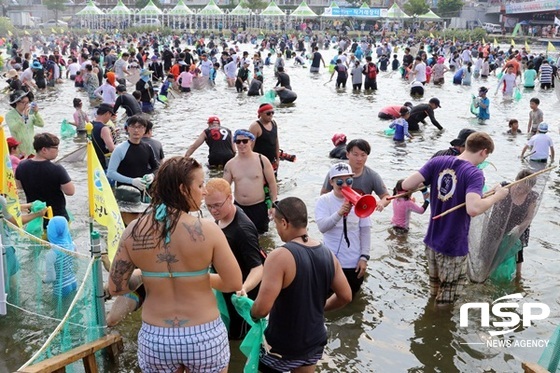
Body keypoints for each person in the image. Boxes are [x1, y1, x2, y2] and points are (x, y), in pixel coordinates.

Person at [108, 156, 242, 373]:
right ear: (182, 189)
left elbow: (116, 287)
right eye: (200, 185)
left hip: (157, 338)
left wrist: (146, 274)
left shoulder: (134, 230)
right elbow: (233, 282)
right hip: (203, 335)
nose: (204, 191)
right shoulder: (209, 230)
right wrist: (196, 277)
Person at [401, 132, 509, 306]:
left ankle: (428, 325)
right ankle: (440, 330)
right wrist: (498, 196)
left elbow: (406, 185)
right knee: (447, 301)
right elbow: (473, 209)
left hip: (431, 241)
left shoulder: (438, 161)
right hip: (452, 246)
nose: (484, 159)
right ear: (483, 151)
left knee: (434, 292)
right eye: (486, 155)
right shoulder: (474, 174)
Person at [250, 197, 352, 372]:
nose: (276, 227)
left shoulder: (279, 256)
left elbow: (262, 309)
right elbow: (345, 296)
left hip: (282, 345)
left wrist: (250, 312)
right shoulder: (328, 254)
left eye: (275, 223)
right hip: (313, 341)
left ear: (284, 223)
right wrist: (320, 307)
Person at [204, 178, 264, 340]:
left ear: (230, 198)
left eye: (217, 205)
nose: (213, 211)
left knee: (237, 336)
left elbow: (257, 267)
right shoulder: (223, 216)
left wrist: (244, 288)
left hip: (241, 293)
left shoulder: (243, 230)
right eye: (209, 206)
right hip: (225, 285)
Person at [316, 162, 372, 294]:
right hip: (330, 262)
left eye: (349, 181)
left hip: (353, 263)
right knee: (327, 300)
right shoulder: (323, 201)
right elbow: (322, 227)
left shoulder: (361, 201)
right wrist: (339, 213)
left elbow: (365, 230)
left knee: (351, 299)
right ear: (331, 182)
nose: (345, 185)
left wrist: (364, 257)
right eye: (340, 182)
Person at [223, 129, 277, 234]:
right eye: (238, 142)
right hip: (239, 207)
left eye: (245, 141)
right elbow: (224, 188)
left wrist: (273, 205)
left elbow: (272, 184)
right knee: (241, 236)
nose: (241, 144)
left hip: (259, 207)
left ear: (251, 141)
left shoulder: (262, 160)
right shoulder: (230, 164)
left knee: (262, 237)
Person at [15, 133, 75, 222]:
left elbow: (18, 186)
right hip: (57, 218)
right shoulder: (57, 169)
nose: (58, 151)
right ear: (44, 150)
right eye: (56, 148)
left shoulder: (21, 166)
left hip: (34, 218)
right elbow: (70, 191)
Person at [320, 139, 391, 212]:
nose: (359, 159)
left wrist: (381, 203)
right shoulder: (335, 172)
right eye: (355, 154)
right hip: (336, 211)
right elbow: (324, 194)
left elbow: (386, 196)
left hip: (360, 213)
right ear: (347, 154)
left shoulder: (372, 176)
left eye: (363, 155)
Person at [107, 115, 159, 193]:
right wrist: (131, 181)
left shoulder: (147, 147)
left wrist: (152, 176)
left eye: (139, 127)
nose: (136, 130)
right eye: (133, 127)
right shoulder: (120, 149)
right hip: (125, 192)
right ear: (128, 129)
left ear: (144, 130)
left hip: (144, 190)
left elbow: (156, 168)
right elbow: (110, 173)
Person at [44, 216, 77, 298]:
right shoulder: (71, 244)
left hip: (61, 287)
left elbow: (51, 277)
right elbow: (76, 257)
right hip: (73, 281)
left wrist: (43, 281)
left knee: (58, 310)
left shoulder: (51, 254)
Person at [5, 90, 44, 156]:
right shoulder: (9, 115)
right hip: (20, 151)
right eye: (24, 103)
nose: (26, 105)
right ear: (17, 103)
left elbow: (41, 124)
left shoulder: (30, 113)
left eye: (28, 102)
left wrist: (36, 113)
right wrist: (24, 117)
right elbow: (14, 128)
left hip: (32, 149)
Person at [249, 103, 280, 175]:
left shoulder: (274, 123)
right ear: (261, 114)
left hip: (272, 161)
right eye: (268, 113)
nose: (271, 115)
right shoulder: (255, 126)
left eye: (272, 113)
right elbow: (249, 147)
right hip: (259, 162)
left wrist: (278, 159)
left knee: (273, 182)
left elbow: (276, 142)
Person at [91, 103, 117, 171]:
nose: (110, 118)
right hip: (103, 164)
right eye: (110, 115)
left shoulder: (90, 125)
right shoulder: (104, 129)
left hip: (93, 162)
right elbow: (112, 149)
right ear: (107, 113)